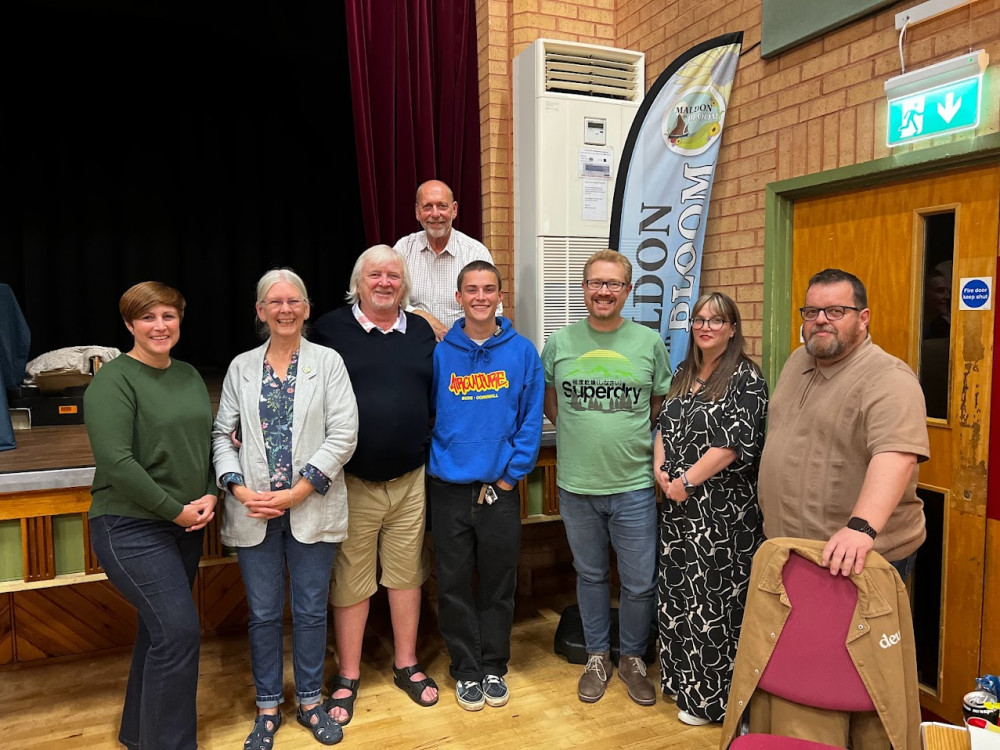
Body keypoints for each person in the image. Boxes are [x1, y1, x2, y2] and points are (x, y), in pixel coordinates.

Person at [212, 268, 358, 749]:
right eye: (274, 302)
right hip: (254, 511)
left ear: (307, 308)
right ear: (260, 312)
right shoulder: (241, 368)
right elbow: (221, 435)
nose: (285, 309)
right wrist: (235, 487)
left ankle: (312, 702)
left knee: (313, 611)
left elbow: (343, 435)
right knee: (263, 614)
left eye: (293, 301)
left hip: (310, 505)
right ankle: (268, 707)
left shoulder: (329, 363)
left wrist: (299, 491)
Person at [84, 281, 219, 750]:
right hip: (129, 527)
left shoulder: (187, 375)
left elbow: (204, 443)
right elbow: (118, 464)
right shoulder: (112, 381)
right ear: (129, 325)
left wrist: (208, 493)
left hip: (184, 523)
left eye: (168, 316)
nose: (159, 326)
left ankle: (139, 735)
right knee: (179, 633)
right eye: (147, 317)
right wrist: (176, 511)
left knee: (159, 633)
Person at [311, 245, 439, 725]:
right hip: (351, 481)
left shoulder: (422, 330)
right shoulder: (329, 329)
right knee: (351, 581)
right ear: (358, 282)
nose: (384, 282)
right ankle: (347, 675)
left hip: (410, 478)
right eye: (374, 275)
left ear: (404, 284)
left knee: (407, 574)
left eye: (393, 275)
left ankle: (406, 664)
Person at [540, 249, 671, 707]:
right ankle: (598, 655)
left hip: (634, 485)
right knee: (590, 575)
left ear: (628, 291)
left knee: (639, 582)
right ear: (584, 288)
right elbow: (550, 405)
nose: (604, 291)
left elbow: (657, 406)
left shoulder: (649, 343)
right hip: (577, 486)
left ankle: (632, 658)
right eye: (596, 283)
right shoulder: (559, 343)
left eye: (614, 284)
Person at [757, 268, 929, 583]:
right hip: (791, 549)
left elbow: (897, 456)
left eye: (836, 311)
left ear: (863, 318)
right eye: (812, 311)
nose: (821, 319)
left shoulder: (888, 378)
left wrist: (860, 529)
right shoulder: (797, 362)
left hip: (855, 557)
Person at [428, 260, 544, 711]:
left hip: (499, 489)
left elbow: (531, 419)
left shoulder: (522, 352)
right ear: (458, 297)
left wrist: (511, 475)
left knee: (498, 582)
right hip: (449, 487)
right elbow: (427, 410)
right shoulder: (440, 352)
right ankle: (466, 670)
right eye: (471, 289)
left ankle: (494, 665)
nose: (480, 296)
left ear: (500, 296)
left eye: (488, 289)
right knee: (453, 583)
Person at [653, 292, 768, 726]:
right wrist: (661, 470)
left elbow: (733, 444)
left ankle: (718, 702)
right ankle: (685, 685)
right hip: (679, 511)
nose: (705, 327)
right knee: (681, 596)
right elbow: (663, 425)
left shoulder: (745, 377)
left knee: (717, 605)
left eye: (716, 321)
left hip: (723, 515)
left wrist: (686, 480)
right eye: (699, 319)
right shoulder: (684, 371)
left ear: (733, 328)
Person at [394, 179, 500, 341]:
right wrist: (423, 317)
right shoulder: (403, 249)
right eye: (427, 207)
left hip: (464, 349)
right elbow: (389, 300)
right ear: (417, 212)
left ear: (454, 209)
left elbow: (494, 309)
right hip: (412, 348)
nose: (435, 214)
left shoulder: (475, 253)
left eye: (442, 206)